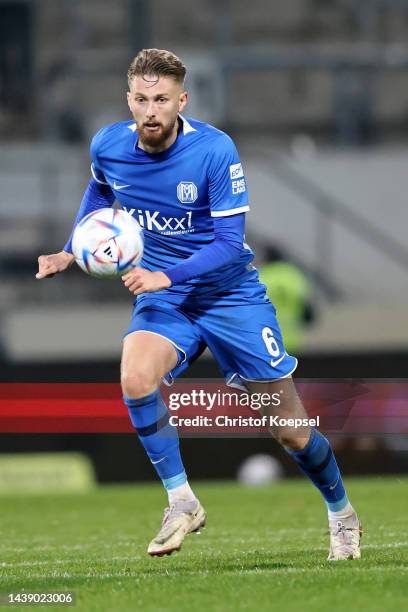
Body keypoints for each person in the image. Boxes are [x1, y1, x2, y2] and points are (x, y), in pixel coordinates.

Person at [36, 49, 361, 560]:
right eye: (141, 99)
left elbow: (231, 243)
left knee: (290, 431)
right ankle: (181, 500)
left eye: (161, 99)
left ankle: (341, 512)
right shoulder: (108, 145)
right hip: (167, 301)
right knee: (135, 378)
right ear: (129, 99)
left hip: (231, 296)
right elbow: (99, 196)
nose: (150, 110)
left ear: (181, 100)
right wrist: (72, 250)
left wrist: (164, 272)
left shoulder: (214, 150)